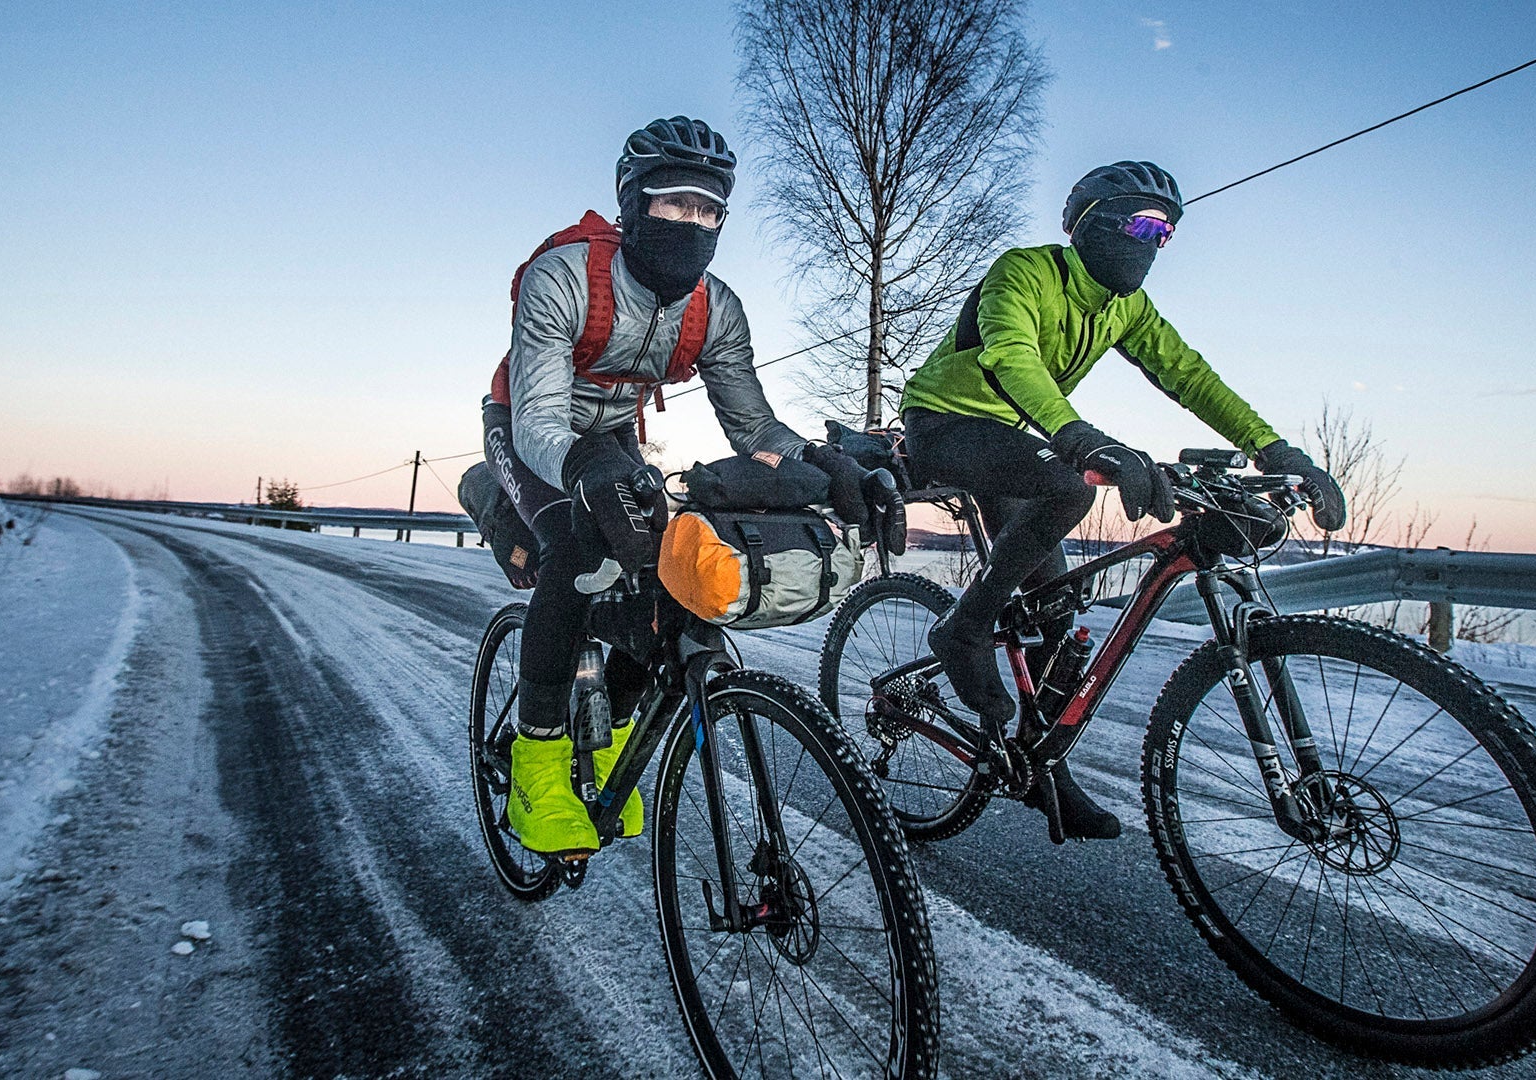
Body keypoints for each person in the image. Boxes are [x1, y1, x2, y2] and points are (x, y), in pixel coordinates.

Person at [897, 160, 1347, 838]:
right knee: (1067, 486)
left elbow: (1191, 376)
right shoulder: (1024, 272)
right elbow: (1011, 356)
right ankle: (962, 628)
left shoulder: (1125, 308)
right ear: (1093, 224)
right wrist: (1084, 441)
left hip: (1019, 436)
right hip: (944, 423)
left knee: (1054, 610)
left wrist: (1277, 452)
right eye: (1141, 225)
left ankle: (1047, 771)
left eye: (1165, 233)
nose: (1153, 242)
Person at [482, 116, 872, 857]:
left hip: (613, 438)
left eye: (708, 210)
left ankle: (609, 740)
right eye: (673, 203)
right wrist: (583, 470)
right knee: (574, 548)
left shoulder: (714, 308)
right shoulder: (563, 276)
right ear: (633, 204)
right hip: (529, 427)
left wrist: (827, 464)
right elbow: (537, 417)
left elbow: (755, 426)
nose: (692, 223)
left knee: (660, 570)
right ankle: (535, 765)